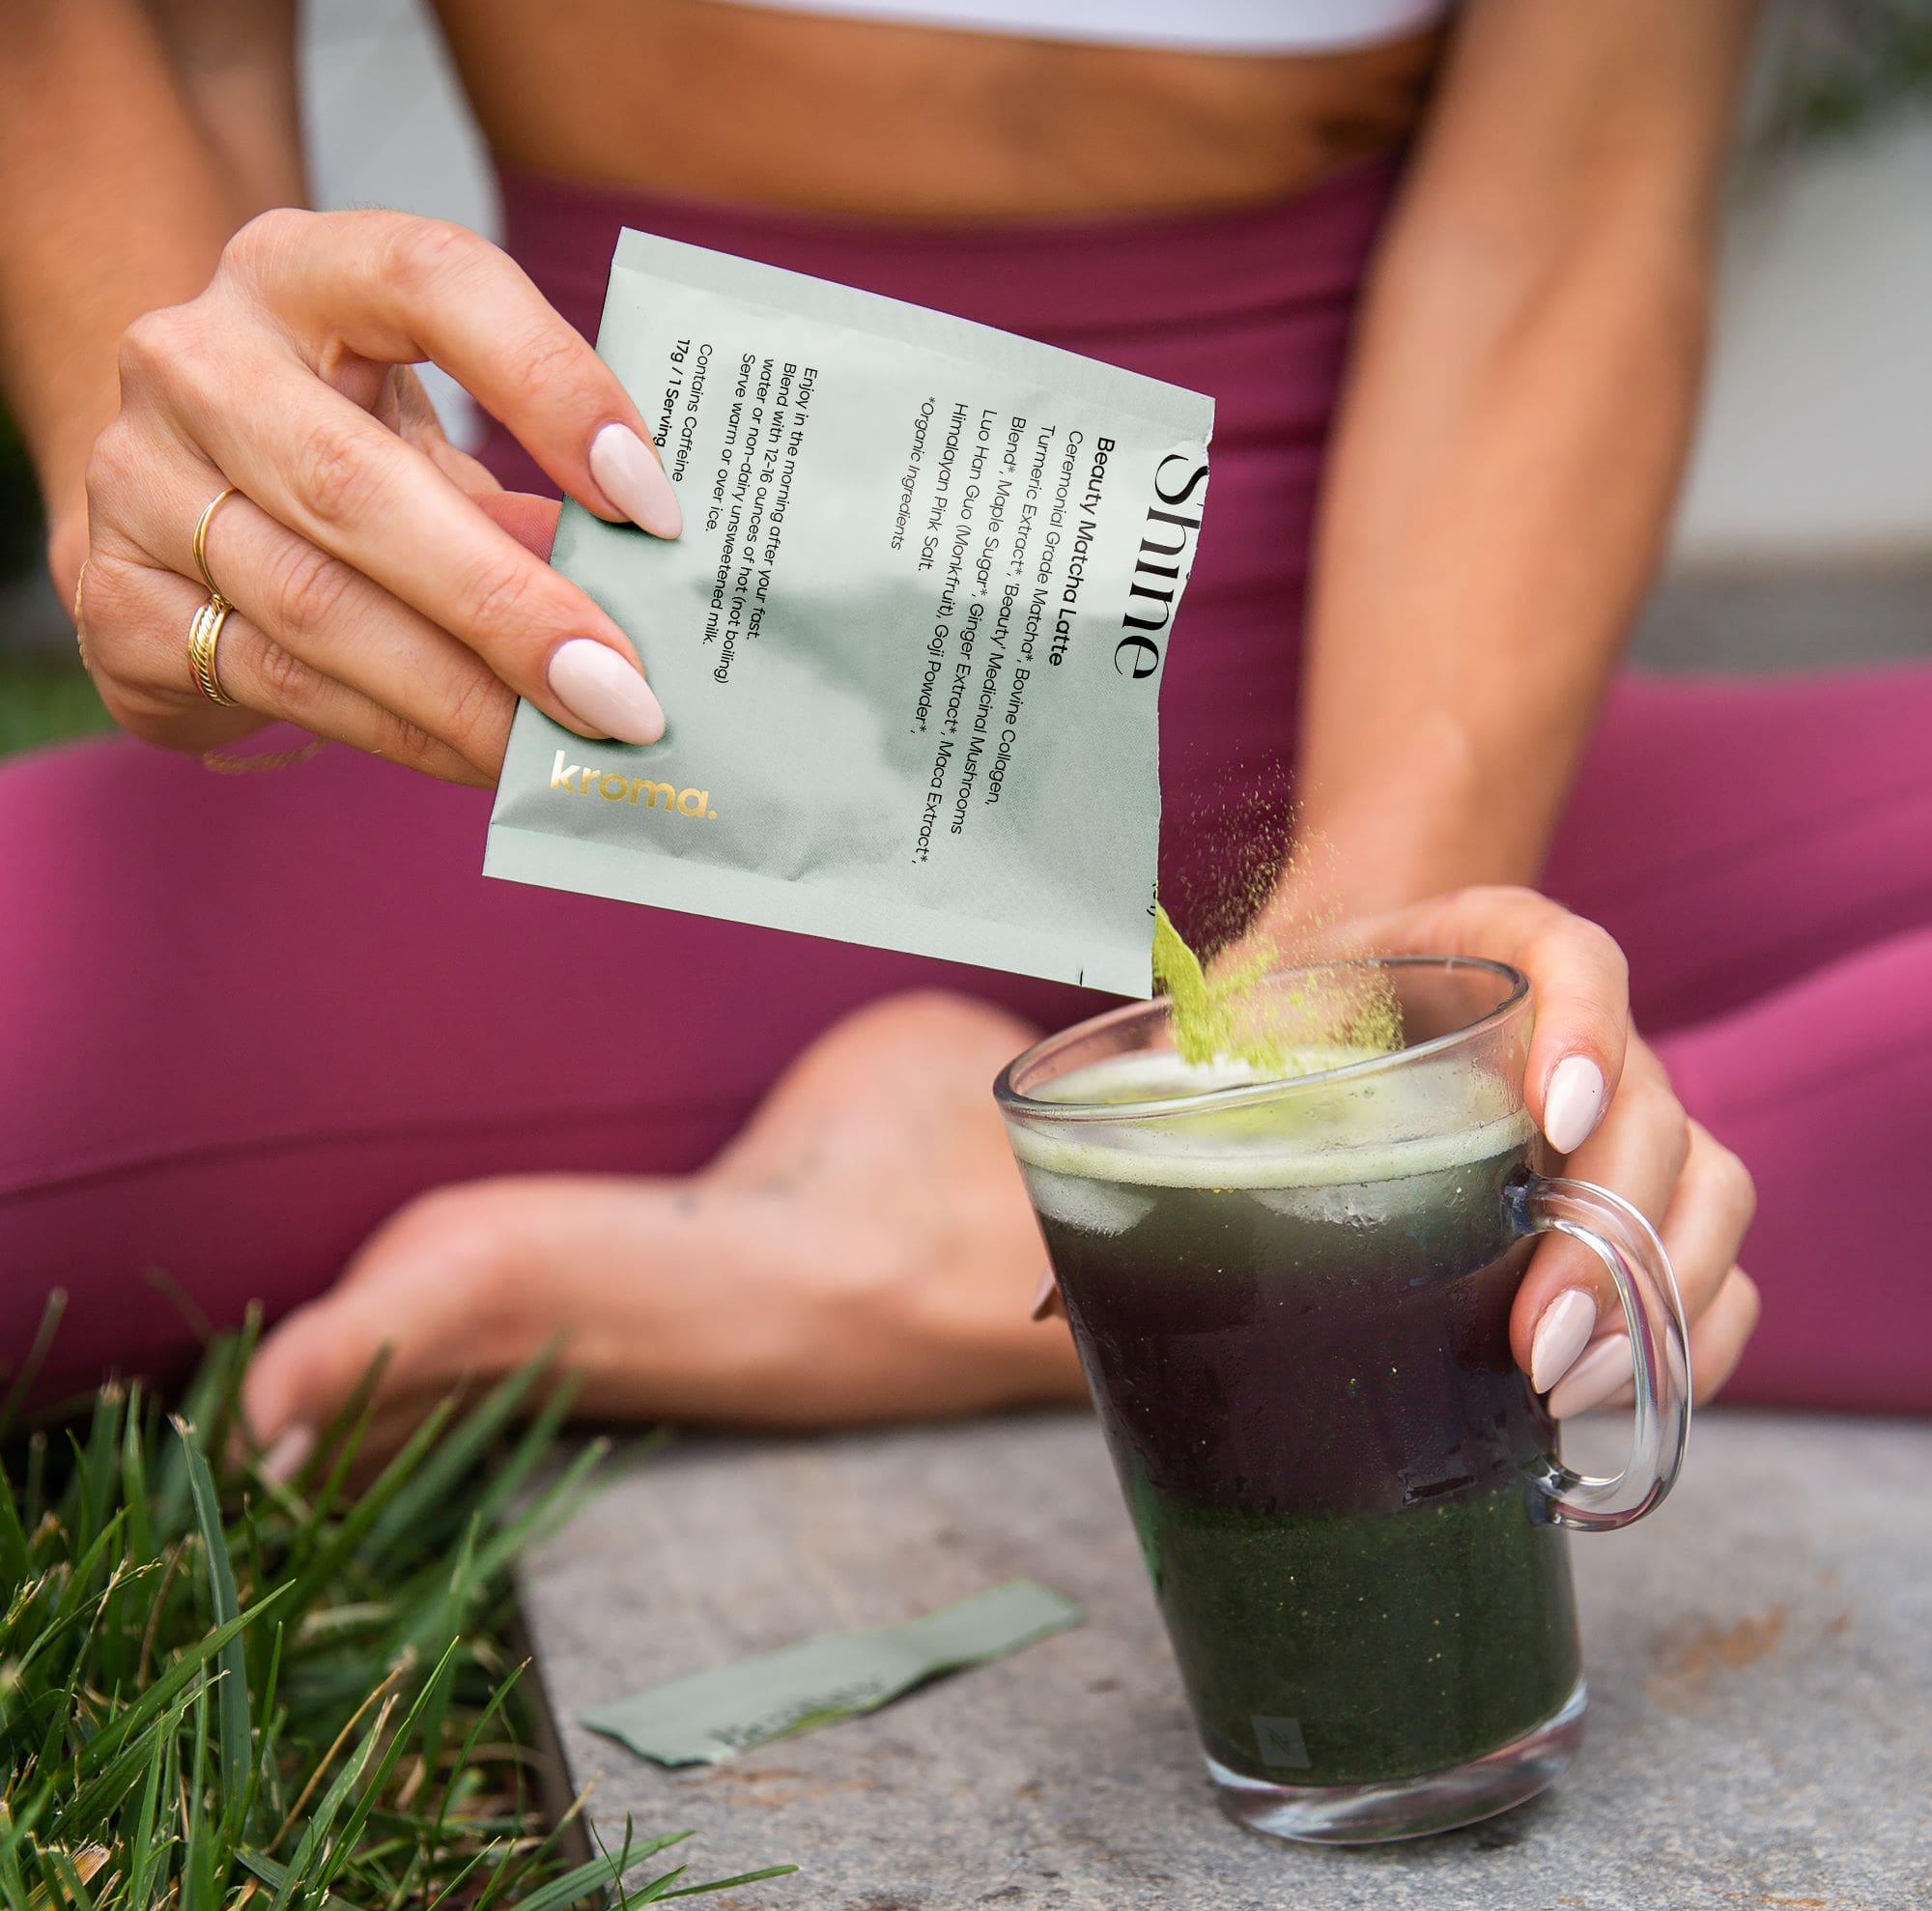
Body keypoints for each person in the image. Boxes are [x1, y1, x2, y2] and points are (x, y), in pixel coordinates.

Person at [0, 0, 1902, 1458]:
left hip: (1392, 699)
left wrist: (1324, 1005)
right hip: (621, 725)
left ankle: (1031, 1246)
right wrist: (208, 484)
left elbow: (1566, 213)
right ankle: (1229, 1263)